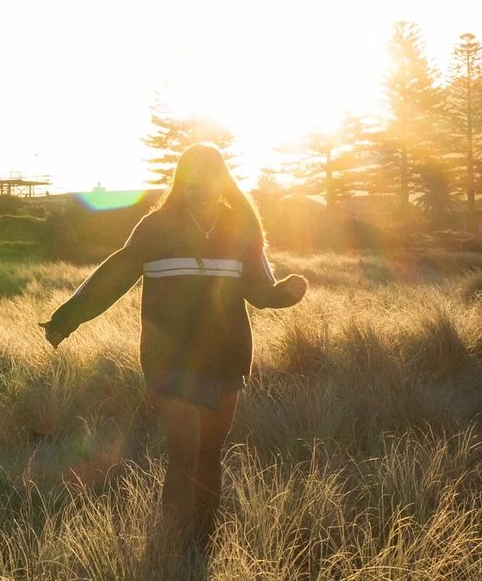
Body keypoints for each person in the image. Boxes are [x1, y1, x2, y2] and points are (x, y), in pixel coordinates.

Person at [40, 143, 308, 554]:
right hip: (169, 360)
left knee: (208, 454)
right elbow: (114, 274)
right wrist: (68, 317)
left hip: (225, 356)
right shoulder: (156, 228)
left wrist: (284, 294)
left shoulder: (239, 231)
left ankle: (201, 546)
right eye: (189, 180)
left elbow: (259, 290)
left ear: (221, 182)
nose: (198, 188)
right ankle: (169, 549)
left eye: (206, 179)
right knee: (184, 450)